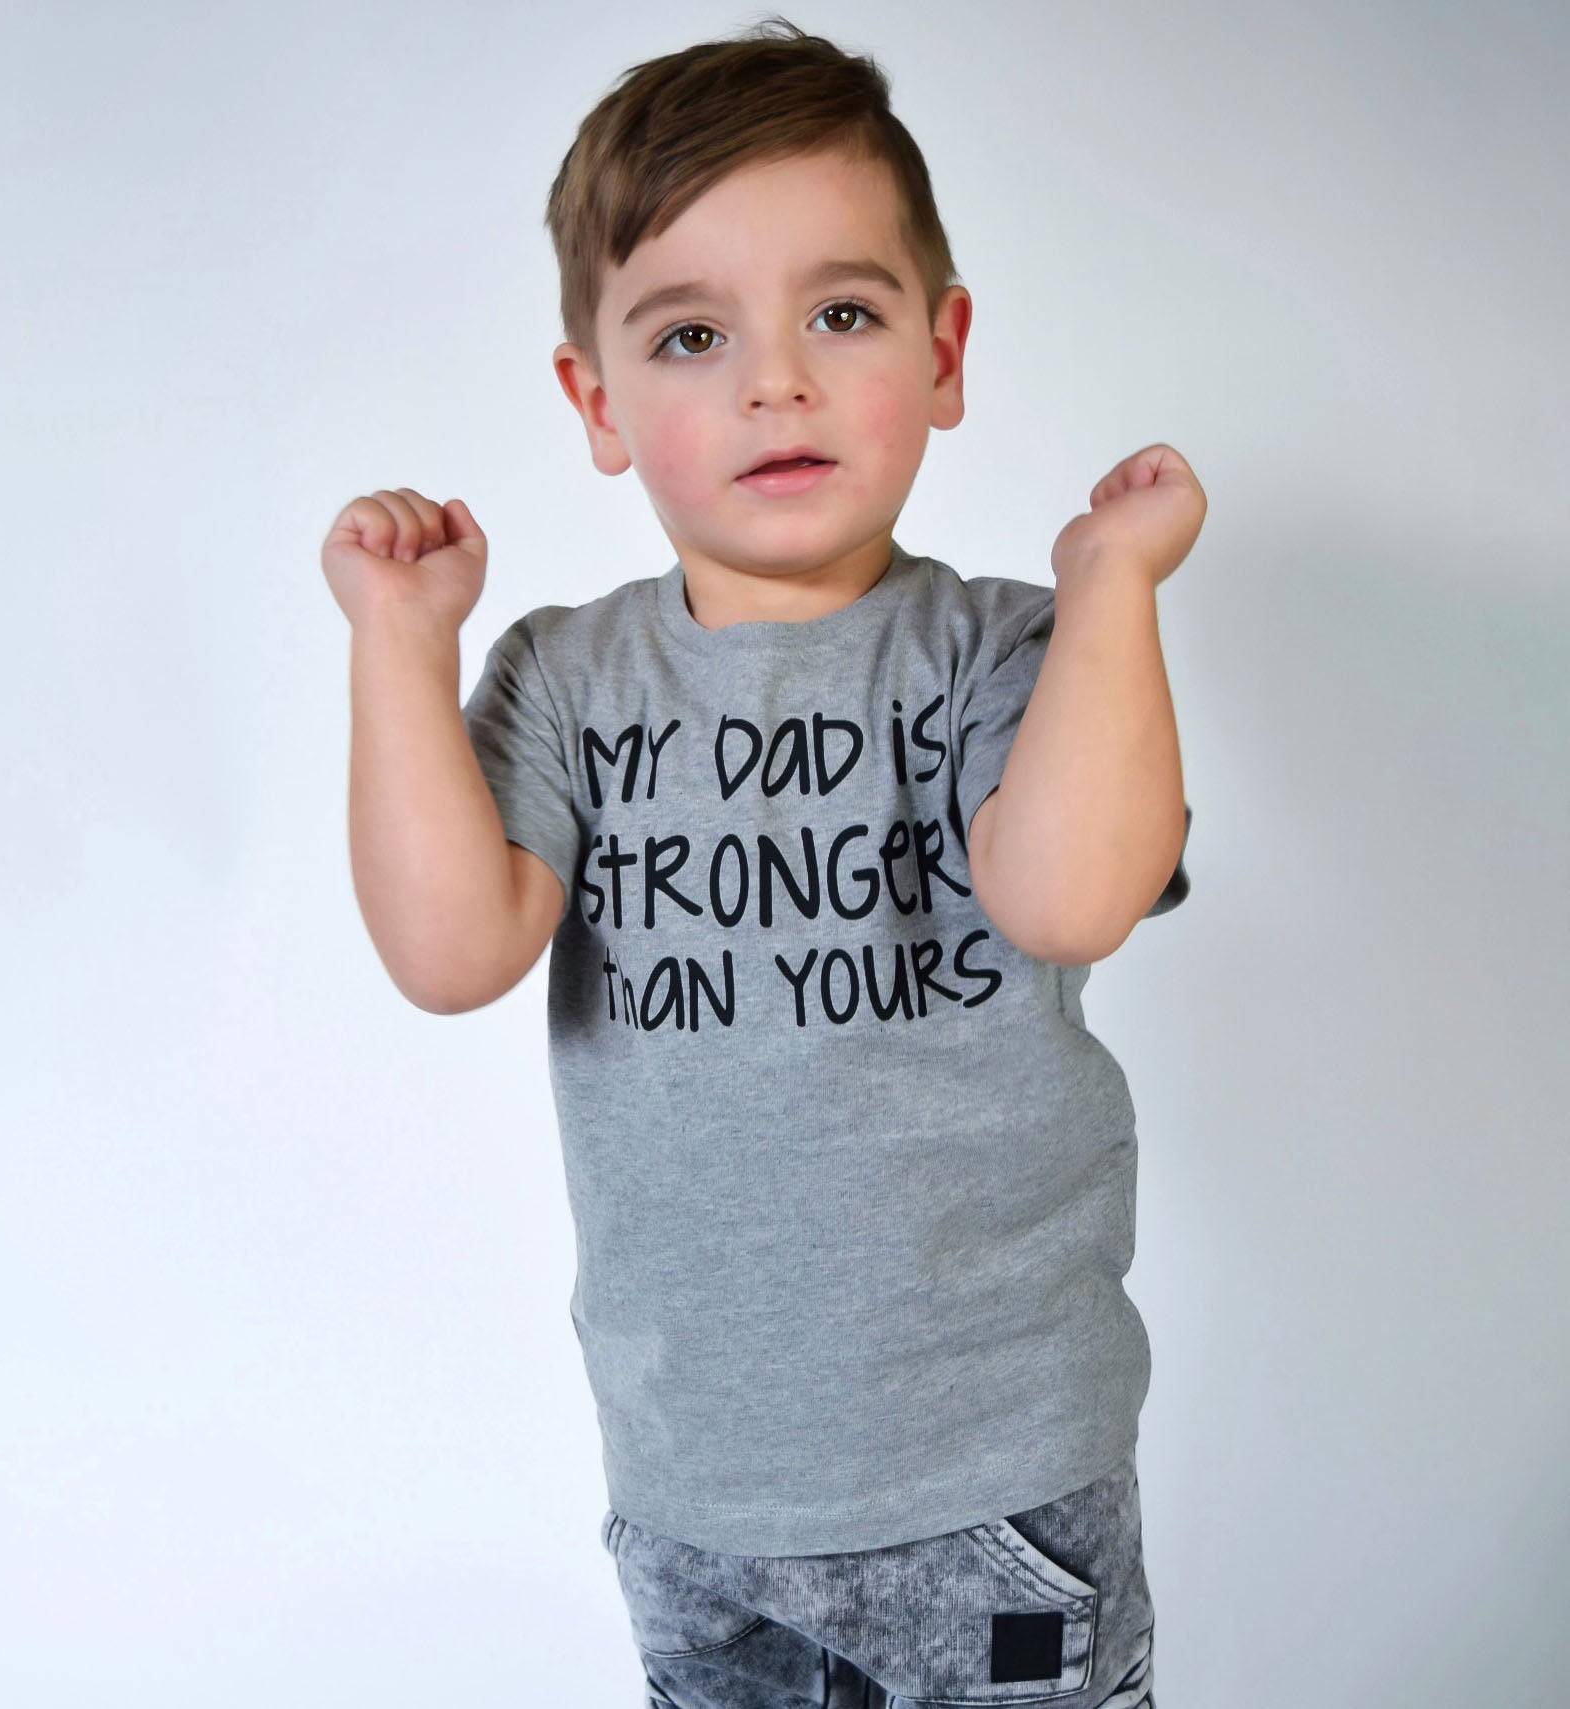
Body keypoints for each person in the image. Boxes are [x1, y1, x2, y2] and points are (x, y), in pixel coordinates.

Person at [321, 16, 1201, 1707]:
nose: (772, 380)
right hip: (693, 1491)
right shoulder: (566, 676)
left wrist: (1110, 586)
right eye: (690, 335)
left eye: (842, 315)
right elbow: (448, 950)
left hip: (991, 1478)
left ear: (944, 354)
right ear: (596, 402)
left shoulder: (1009, 652)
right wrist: (399, 649)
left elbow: (1068, 895)